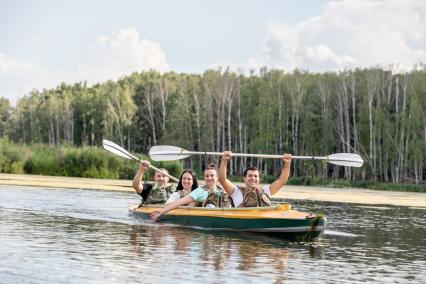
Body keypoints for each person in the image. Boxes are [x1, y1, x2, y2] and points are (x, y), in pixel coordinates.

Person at [150, 164, 232, 221]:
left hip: (224, 216)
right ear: (204, 177)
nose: (209, 178)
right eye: (207, 176)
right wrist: (161, 212)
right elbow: (179, 202)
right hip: (208, 218)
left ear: (217, 177)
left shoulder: (221, 191)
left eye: (212, 175)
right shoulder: (199, 191)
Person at [219, 151, 292, 207]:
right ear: (244, 178)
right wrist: (224, 160)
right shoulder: (236, 191)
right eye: (250, 175)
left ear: (259, 179)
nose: (253, 178)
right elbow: (223, 180)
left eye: (255, 176)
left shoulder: (265, 191)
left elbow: (282, 181)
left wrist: (287, 164)